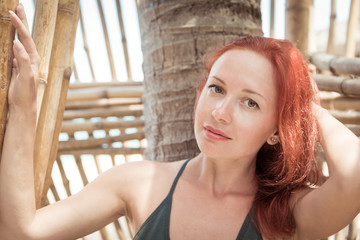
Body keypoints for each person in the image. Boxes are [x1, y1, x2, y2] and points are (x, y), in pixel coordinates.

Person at [1, 4, 360, 240]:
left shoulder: (288, 214)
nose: (220, 113)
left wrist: (303, 105)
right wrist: (23, 107)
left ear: (275, 130)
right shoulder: (140, 183)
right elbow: (22, 231)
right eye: (217, 89)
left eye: (250, 102)